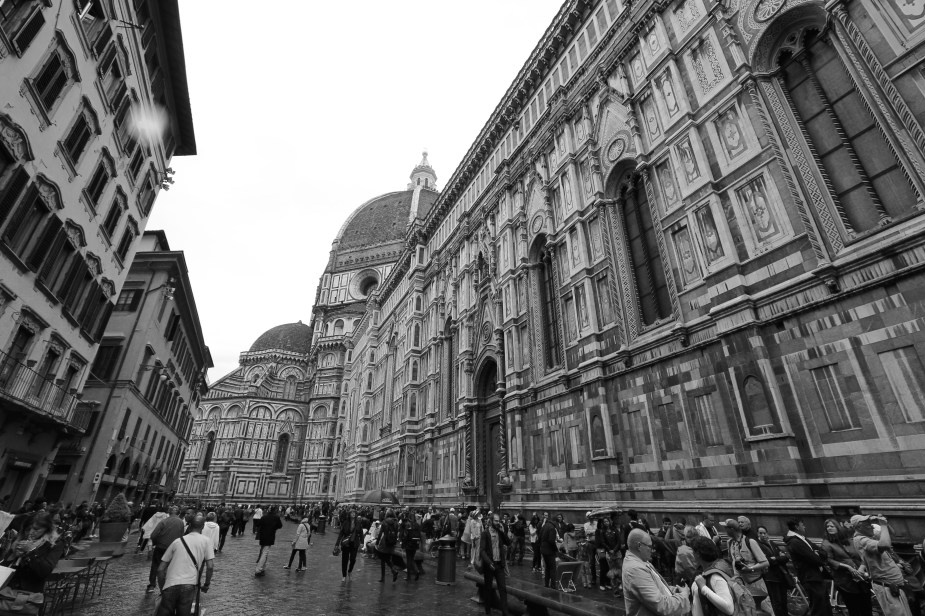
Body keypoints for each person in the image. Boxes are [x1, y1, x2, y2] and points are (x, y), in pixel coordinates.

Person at [852, 514, 911, 616]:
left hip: (893, 586)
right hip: (887, 588)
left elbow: (891, 534)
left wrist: (884, 523)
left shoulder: (869, 536)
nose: (871, 526)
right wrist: (882, 525)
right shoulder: (861, 539)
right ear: (858, 527)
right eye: (867, 524)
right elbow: (885, 544)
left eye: (870, 523)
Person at [623, 528, 691, 616]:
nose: (652, 550)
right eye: (650, 547)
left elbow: (655, 586)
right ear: (639, 546)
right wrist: (683, 595)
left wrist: (674, 590)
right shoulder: (635, 569)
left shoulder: (640, 561)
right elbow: (661, 605)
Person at [155, 514, 213, 616]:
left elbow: (160, 569)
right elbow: (210, 566)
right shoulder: (206, 541)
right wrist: (206, 584)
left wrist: (162, 587)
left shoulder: (177, 541)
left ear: (189, 526)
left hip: (170, 583)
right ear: (203, 527)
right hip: (189, 584)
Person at [0, 512, 64, 597]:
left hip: (28, 594)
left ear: (46, 529)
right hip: (6, 589)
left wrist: (30, 551)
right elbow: (4, 566)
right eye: (28, 529)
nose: (30, 533)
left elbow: (45, 571)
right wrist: (14, 555)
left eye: (36, 529)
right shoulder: (19, 539)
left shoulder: (54, 544)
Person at [822, 518, 872, 616]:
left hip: (861, 577)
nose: (829, 528)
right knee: (854, 608)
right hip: (845, 580)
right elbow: (829, 560)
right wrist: (847, 567)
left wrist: (862, 567)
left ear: (837, 527)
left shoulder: (849, 540)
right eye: (827, 527)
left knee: (866, 606)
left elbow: (861, 554)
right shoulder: (826, 543)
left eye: (832, 526)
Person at [785, 518, 833, 616]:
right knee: (819, 607)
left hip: (816, 576)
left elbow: (822, 552)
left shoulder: (802, 539)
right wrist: (816, 555)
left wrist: (817, 554)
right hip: (810, 577)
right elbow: (816, 559)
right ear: (797, 527)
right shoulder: (795, 542)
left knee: (825, 604)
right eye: (802, 525)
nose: (805, 527)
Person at [725, 518, 769, 608]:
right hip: (741, 586)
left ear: (732, 529)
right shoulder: (730, 543)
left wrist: (750, 568)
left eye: (726, 528)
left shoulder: (750, 542)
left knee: (763, 610)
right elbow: (731, 561)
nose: (725, 531)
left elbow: (765, 563)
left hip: (756, 584)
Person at [689, 536, 736, 616]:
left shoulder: (715, 577)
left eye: (692, 551)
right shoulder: (706, 570)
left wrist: (703, 588)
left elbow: (729, 608)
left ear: (698, 554)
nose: (691, 554)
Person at [480, 512, 512, 616]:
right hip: (490, 565)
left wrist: (503, 532)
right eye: (496, 521)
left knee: (503, 589)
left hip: (499, 565)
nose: (498, 523)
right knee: (488, 589)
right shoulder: (485, 533)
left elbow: (508, 543)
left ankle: (505, 612)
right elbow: (482, 551)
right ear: (491, 521)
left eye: (499, 521)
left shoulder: (500, 532)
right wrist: (489, 562)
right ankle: (488, 611)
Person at [148, 506, 185, 594]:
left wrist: (156, 543)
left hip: (161, 547)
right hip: (173, 548)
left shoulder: (164, 521)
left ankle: (152, 585)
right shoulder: (181, 522)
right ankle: (167, 585)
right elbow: (181, 536)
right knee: (170, 567)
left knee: (155, 565)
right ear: (178, 513)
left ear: (169, 512)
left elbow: (153, 535)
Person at [756, 525, 791, 616]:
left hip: (781, 575)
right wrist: (778, 558)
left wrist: (775, 558)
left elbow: (786, 557)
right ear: (757, 534)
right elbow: (766, 560)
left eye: (764, 533)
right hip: (770, 577)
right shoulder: (758, 545)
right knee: (777, 602)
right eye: (761, 533)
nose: (763, 535)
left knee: (784, 601)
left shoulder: (773, 544)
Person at [254, 506, 282, 577]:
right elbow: (280, 526)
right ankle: (258, 569)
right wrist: (274, 527)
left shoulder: (264, 517)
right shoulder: (276, 517)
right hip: (270, 536)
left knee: (263, 551)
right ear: (275, 510)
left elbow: (258, 524)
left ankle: (262, 568)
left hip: (263, 536)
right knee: (265, 553)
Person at [337, 509, 364, 581]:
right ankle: (344, 575)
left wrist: (362, 542)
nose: (353, 514)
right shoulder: (345, 522)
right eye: (352, 513)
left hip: (354, 543)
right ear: (349, 514)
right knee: (344, 560)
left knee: (353, 559)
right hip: (346, 543)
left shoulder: (358, 523)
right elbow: (341, 533)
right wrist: (337, 544)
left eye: (354, 512)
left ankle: (350, 571)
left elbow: (361, 533)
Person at [377, 509, 400, 583]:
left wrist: (377, 543)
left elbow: (380, 534)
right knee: (388, 558)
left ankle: (384, 577)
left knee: (383, 559)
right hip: (392, 543)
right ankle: (393, 570)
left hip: (384, 543)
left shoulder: (384, 522)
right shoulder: (396, 522)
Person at [399, 509, 422, 581]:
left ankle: (411, 575)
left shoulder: (407, 524)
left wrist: (403, 544)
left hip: (408, 544)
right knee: (412, 558)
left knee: (409, 560)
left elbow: (405, 535)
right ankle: (415, 571)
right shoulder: (417, 525)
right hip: (415, 544)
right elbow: (420, 535)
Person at [539, 512, 560, 588]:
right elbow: (551, 540)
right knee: (552, 568)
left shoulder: (545, 525)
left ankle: (546, 584)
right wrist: (556, 550)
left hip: (543, 549)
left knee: (547, 567)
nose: (557, 525)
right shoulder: (552, 528)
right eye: (557, 523)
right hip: (549, 551)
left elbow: (540, 536)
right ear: (555, 522)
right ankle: (553, 585)